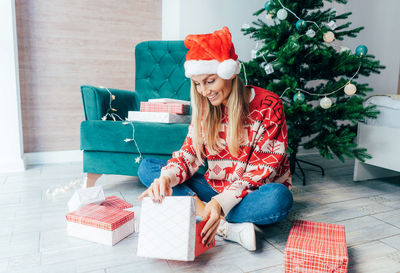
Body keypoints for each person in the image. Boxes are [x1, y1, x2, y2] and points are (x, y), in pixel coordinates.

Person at [137, 26, 292, 251]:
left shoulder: (269, 105)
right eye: (198, 84)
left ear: (229, 74)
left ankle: (202, 213)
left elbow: (261, 172)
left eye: (210, 81)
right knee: (148, 169)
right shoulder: (206, 108)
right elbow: (189, 155)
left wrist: (221, 203)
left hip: (253, 192)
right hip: (213, 190)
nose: (204, 91)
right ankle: (224, 226)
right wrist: (167, 179)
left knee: (278, 199)